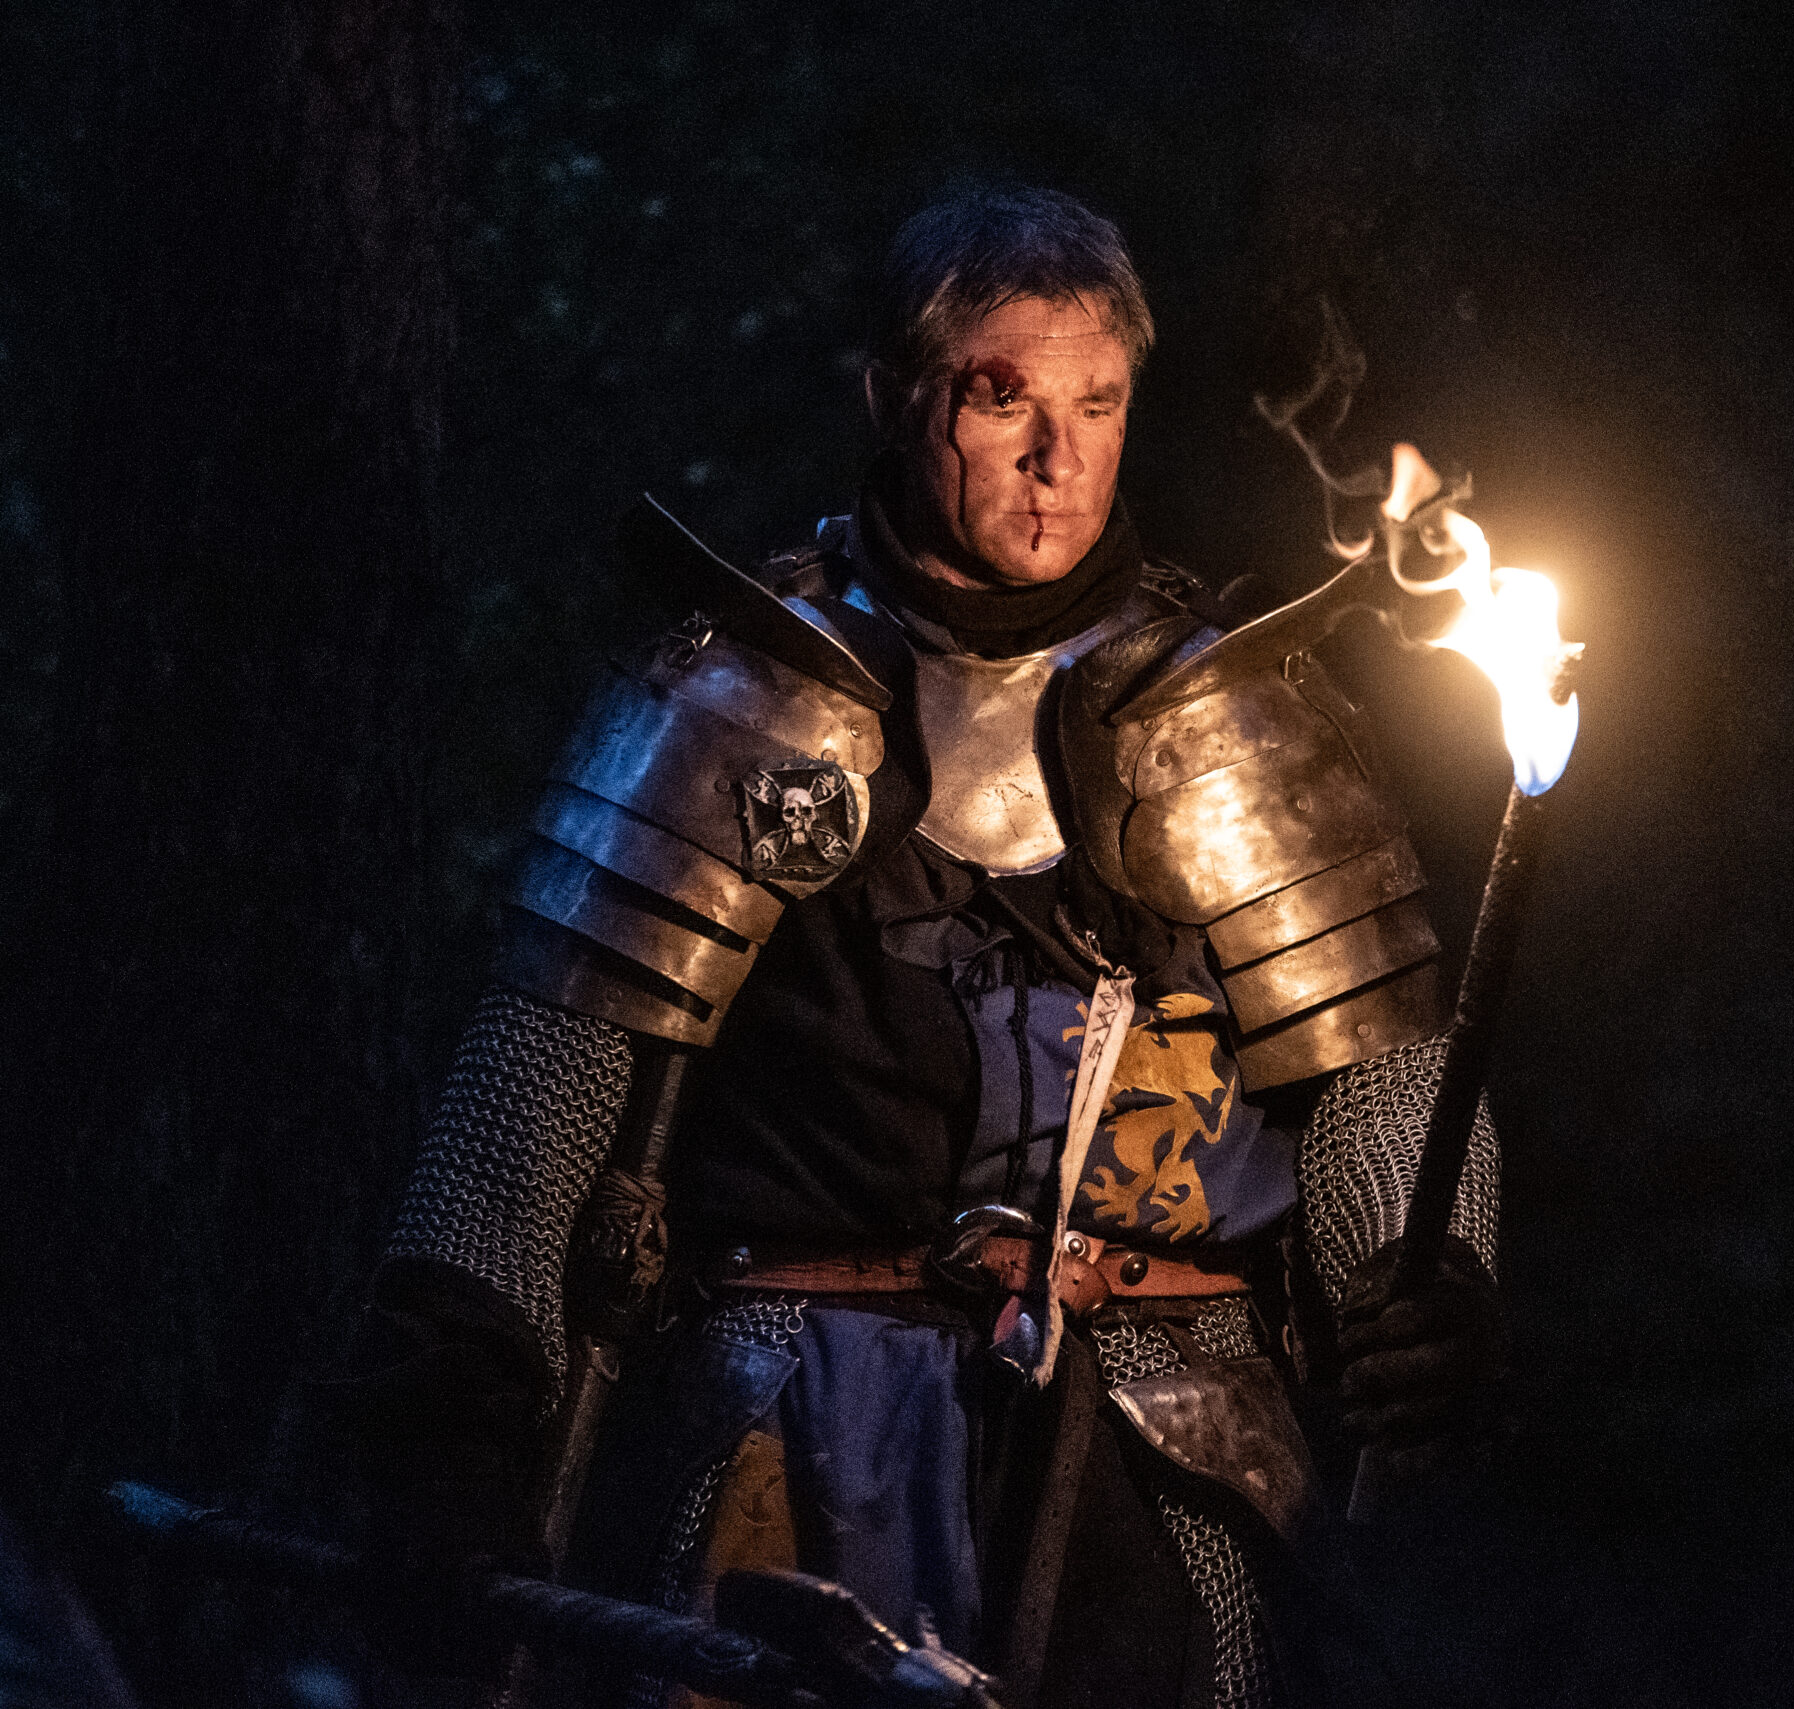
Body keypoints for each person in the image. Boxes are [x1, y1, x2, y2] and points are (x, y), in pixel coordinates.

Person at [350, 185, 1503, 1709]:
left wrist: (1424, 1280)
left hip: (1163, 1442)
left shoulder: (1239, 720)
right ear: (897, 396)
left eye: (1098, 401)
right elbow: (540, 1090)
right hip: (797, 1421)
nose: (1057, 455)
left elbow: (1388, 1086)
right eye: (1001, 395)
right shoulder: (734, 697)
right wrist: (455, 1400)